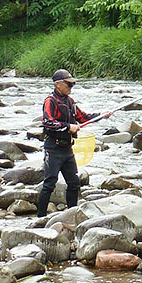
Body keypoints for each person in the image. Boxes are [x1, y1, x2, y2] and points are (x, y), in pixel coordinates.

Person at [38, 69, 111, 217]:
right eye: (69, 85)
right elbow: (47, 122)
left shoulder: (70, 102)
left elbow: (83, 118)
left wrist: (101, 115)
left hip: (67, 149)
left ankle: (71, 214)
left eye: (72, 85)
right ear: (58, 84)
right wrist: (67, 126)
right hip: (53, 148)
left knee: (74, 183)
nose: (71, 88)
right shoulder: (50, 101)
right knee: (49, 184)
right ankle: (40, 217)